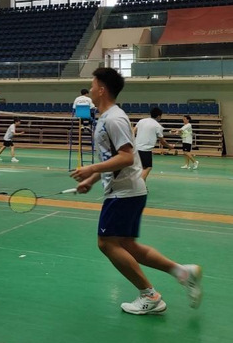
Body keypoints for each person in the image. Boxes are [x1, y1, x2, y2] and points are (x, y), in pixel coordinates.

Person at [70, 68, 202, 315]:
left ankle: (150, 295)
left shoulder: (114, 119)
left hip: (124, 191)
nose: (90, 89)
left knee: (106, 244)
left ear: (102, 89)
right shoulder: (106, 118)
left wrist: (91, 168)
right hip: (125, 190)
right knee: (127, 245)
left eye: (93, 84)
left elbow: (127, 157)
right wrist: (92, 179)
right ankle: (183, 272)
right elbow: (112, 158)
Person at [134, 107, 174, 180]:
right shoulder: (158, 126)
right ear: (158, 116)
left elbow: (133, 131)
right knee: (148, 168)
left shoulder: (141, 121)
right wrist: (169, 146)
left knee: (141, 169)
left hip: (135, 149)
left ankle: (142, 185)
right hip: (145, 150)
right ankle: (139, 184)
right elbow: (162, 141)